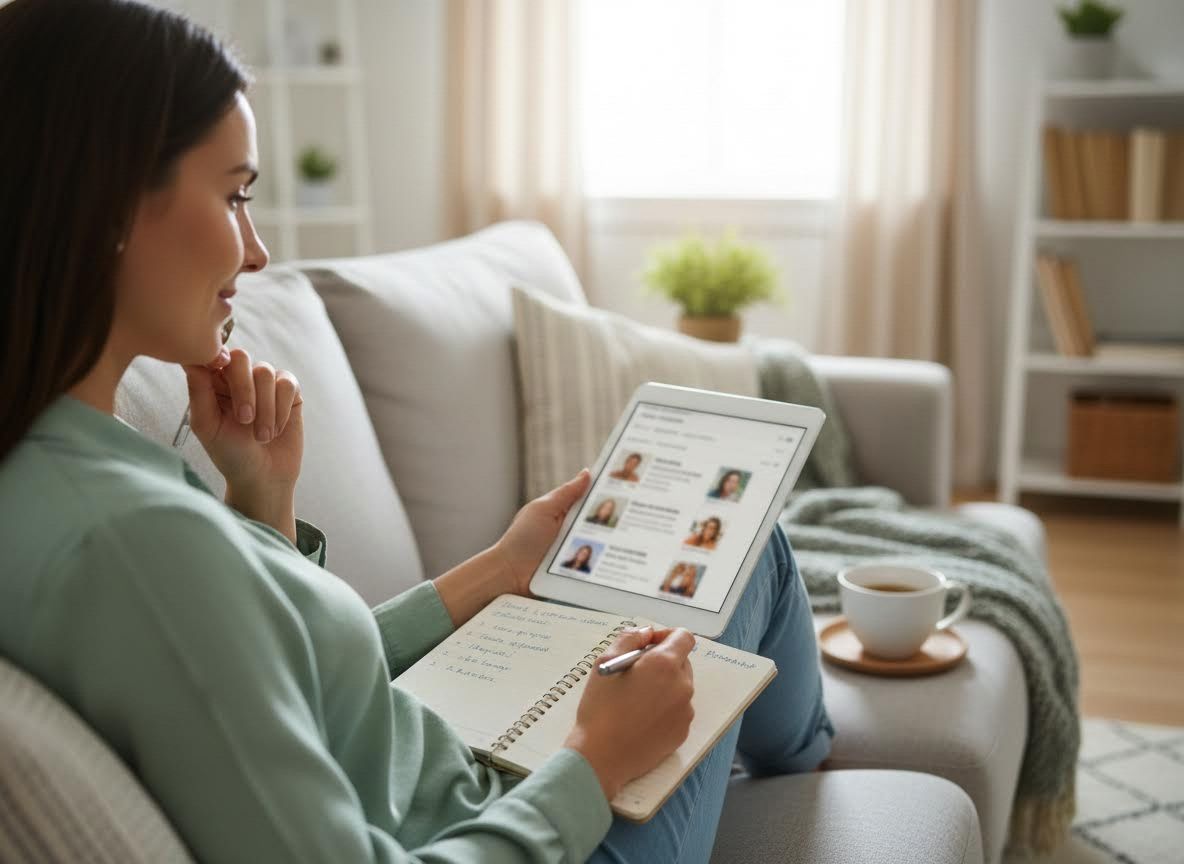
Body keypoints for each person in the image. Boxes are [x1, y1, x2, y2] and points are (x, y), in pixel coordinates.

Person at [0, 3, 833, 862]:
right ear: (107, 209)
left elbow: (287, 687)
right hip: (538, 835)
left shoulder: (50, 470)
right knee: (750, 549)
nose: (256, 251)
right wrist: (594, 759)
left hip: (479, 792)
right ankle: (815, 761)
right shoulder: (136, 543)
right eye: (234, 194)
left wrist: (279, 509)